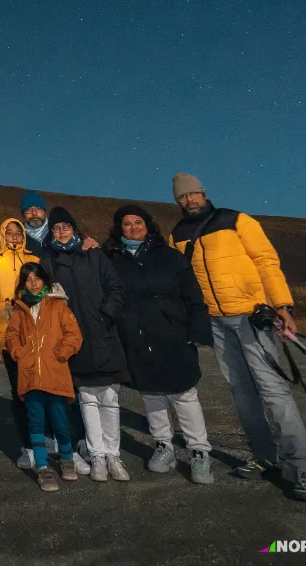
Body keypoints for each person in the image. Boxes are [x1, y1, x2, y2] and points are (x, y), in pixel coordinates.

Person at [169, 172, 306, 502]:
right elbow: (180, 280)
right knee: (240, 390)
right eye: (182, 197)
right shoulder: (177, 235)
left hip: (251, 315)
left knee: (273, 389)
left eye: (193, 194)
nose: (188, 200)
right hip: (214, 321)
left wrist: (282, 305)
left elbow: (266, 261)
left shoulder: (236, 220)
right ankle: (264, 456)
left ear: (203, 192)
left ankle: (305, 469)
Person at [103, 204, 214, 486]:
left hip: (172, 332)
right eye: (126, 224)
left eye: (138, 223)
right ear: (119, 229)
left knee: (183, 392)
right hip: (135, 334)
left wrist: (197, 330)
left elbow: (193, 296)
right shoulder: (110, 260)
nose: (133, 228)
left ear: (149, 226)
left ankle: (199, 451)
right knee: (150, 392)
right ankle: (163, 445)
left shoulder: (171, 258)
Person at [38, 205, 130, 482]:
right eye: (56, 228)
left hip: (102, 332)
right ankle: (97, 454)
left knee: (110, 398)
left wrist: (107, 314)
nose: (62, 231)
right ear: (51, 231)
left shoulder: (93, 254)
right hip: (74, 337)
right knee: (87, 398)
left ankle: (113, 454)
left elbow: (116, 287)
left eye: (66, 226)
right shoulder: (48, 261)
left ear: (74, 229)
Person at [4, 263, 83, 492]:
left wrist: (61, 352)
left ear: (45, 281)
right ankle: (43, 466)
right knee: (35, 421)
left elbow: (74, 334)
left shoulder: (58, 306)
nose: (33, 283)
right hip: (30, 376)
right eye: (28, 279)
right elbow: (11, 336)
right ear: (23, 284)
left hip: (55, 372)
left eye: (37, 278)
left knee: (60, 420)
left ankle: (67, 458)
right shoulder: (19, 309)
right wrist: (19, 354)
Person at [0, 217, 39, 470]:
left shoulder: (34, 261)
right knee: (20, 393)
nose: (14, 236)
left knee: (42, 390)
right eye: (10, 232)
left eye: (18, 232)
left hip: (37, 337)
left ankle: (47, 440)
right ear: (3, 234)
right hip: (9, 339)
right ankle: (28, 446)